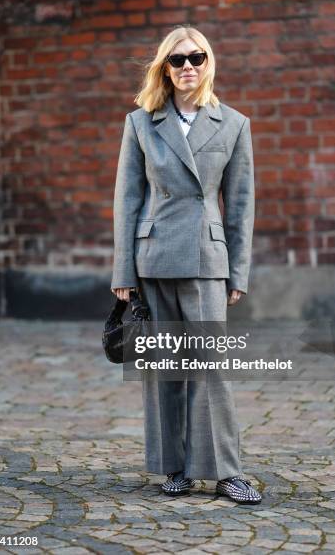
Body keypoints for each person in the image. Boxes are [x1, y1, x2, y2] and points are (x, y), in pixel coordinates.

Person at [110, 25, 261, 504]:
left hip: (206, 259)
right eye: (177, 60)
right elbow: (127, 200)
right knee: (165, 368)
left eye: (196, 57)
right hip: (153, 256)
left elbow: (240, 205)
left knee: (210, 367)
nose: (187, 66)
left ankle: (226, 472)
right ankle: (174, 467)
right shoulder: (141, 123)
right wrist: (122, 273)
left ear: (208, 63)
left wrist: (238, 271)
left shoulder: (233, 123)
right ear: (165, 67)